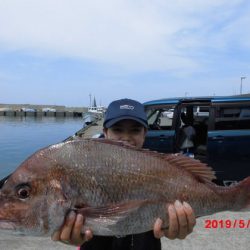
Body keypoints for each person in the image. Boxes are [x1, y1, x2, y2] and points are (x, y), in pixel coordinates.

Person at [52, 98, 196, 249]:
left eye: (135, 130)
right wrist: (68, 235)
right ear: (105, 132)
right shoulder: (83, 166)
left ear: (144, 134)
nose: (126, 138)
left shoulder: (157, 166)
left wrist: (175, 226)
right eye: (117, 130)